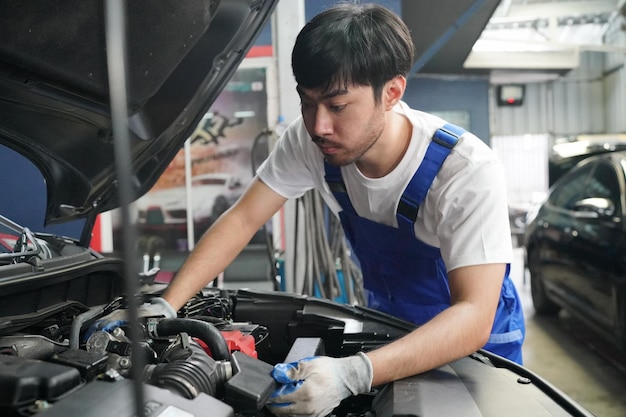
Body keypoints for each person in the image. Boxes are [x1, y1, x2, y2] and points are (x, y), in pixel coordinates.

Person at [94, 3, 525, 416]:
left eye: (337, 106)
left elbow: (473, 315)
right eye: (307, 101)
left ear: (392, 92)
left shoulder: (464, 171)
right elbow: (244, 218)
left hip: (480, 353)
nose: (318, 125)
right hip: (393, 328)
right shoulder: (312, 142)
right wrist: (169, 305)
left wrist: (353, 373)